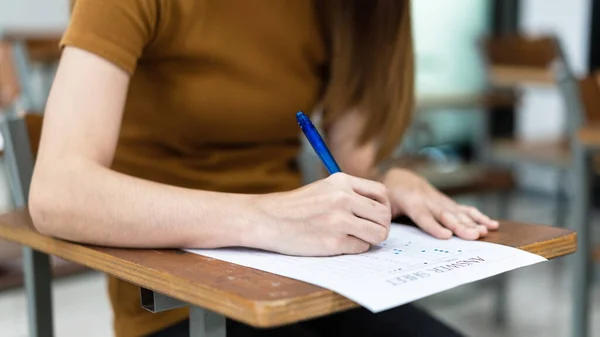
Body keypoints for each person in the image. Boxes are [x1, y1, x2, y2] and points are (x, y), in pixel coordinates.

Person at [29, 1, 499, 336]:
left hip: (308, 283)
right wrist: (268, 218)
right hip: (175, 304)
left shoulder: (348, 9)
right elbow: (57, 191)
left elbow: (354, 165)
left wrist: (389, 182)